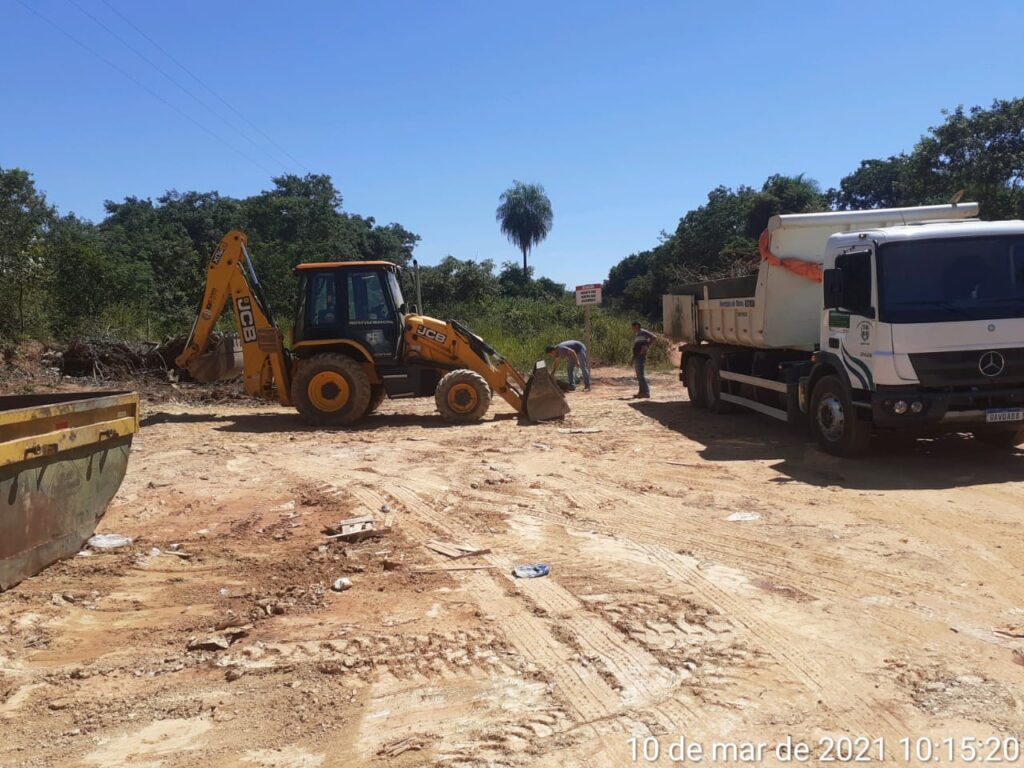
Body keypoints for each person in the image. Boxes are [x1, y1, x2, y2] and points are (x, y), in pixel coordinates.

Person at [631, 322, 656, 398]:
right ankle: (641, 392)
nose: (632, 329)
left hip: (641, 356)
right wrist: (632, 359)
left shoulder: (643, 332)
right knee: (639, 376)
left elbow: (654, 337)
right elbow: (636, 348)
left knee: (641, 375)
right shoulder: (637, 335)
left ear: (637, 326)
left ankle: (645, 392)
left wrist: (646, 346)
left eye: (633, 327)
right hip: (637, 356)